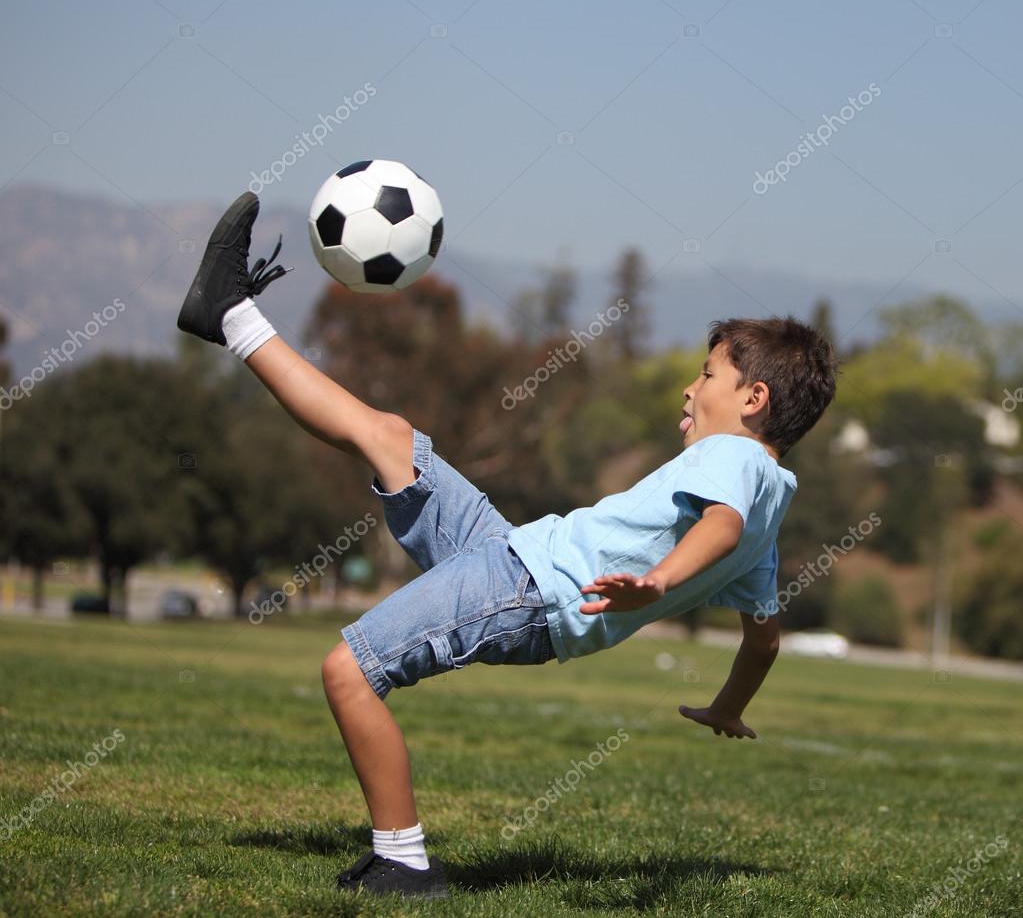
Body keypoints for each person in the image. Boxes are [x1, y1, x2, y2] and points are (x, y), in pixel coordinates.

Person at [177, 192, 838, 900]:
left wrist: (657, 583)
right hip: (517, 555)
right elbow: (762, 639)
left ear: (753, 399)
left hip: (529, 590)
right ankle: (231, 314)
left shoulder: (736, 465)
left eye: (706, 375)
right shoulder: (771, 503)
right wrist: (727, 706)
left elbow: (718, 527)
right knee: (389, 437)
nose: (688, 388)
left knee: (349, 669)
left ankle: (401, 862)